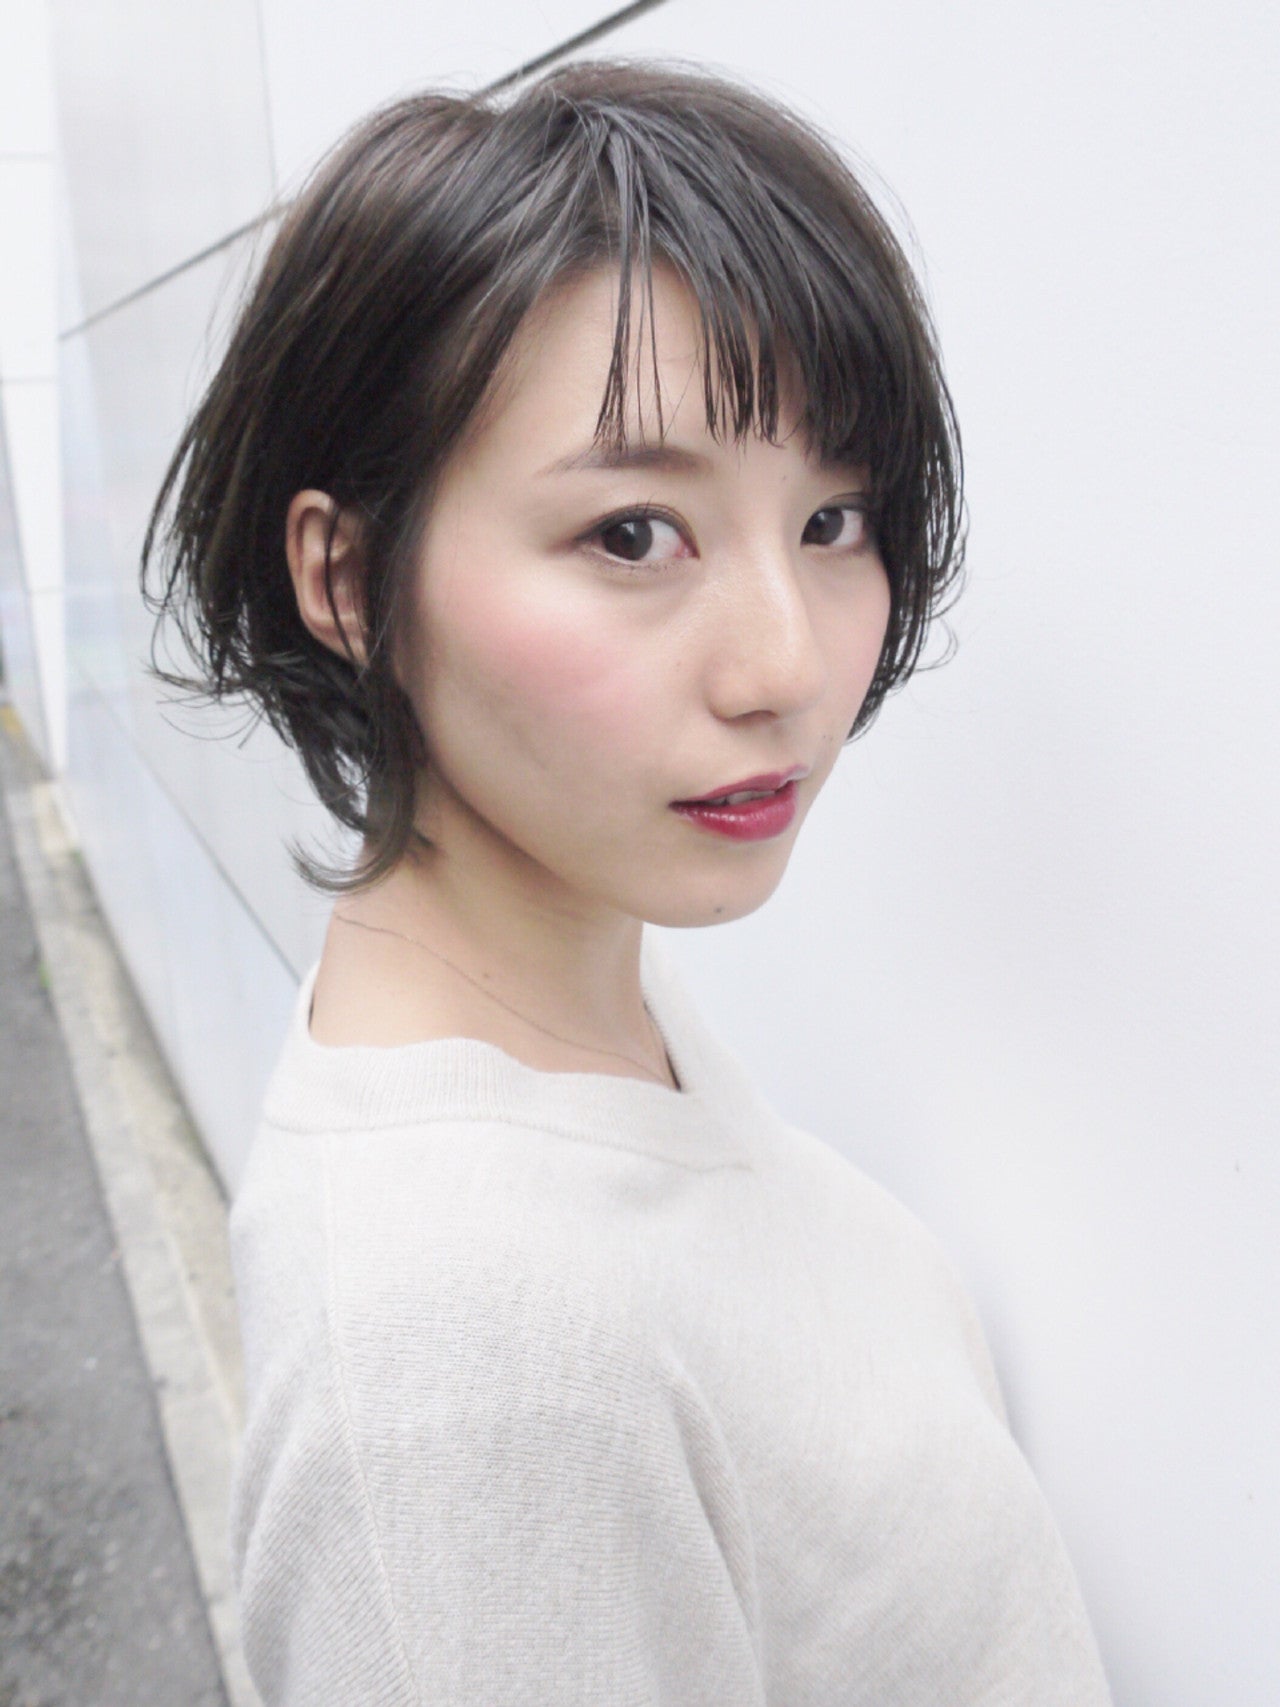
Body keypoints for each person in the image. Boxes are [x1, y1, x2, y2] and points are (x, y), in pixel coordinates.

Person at [143, 58, 1112, 1707]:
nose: (785, 667)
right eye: (633, 535)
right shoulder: (465, 1371)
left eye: (835, 519)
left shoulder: (575, 1018)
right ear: (348, 578)